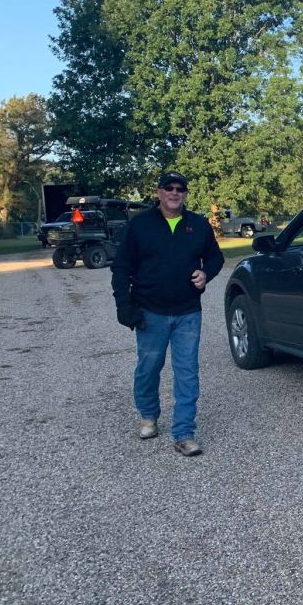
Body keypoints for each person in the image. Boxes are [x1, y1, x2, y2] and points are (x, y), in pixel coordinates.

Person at [111, 171, 225, 457]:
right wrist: (124, 304)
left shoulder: (198, 225)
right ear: (159, 193)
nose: (175, 193)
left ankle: (184, 433)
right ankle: (148, 415)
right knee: (149, 366)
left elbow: (215, 257)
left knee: (187, 372)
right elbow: (121, 267)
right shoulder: (139, 226)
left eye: (180, 189)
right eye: (169, 188)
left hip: (188, 312)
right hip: (150, 311)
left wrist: (205, 273)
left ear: (185, 194)